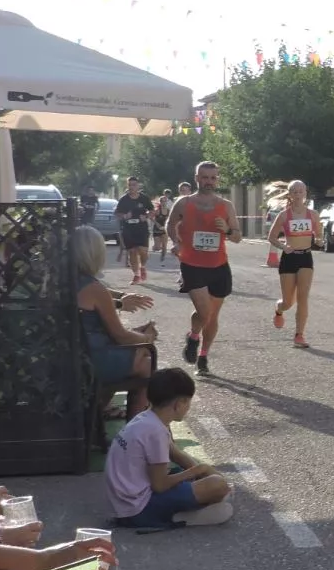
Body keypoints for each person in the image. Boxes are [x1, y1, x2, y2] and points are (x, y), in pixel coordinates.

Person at [106, 368, 233, 529]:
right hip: (138, 511)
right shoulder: (155, 431)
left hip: (126, 504)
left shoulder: (147, 418)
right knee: (216, 486)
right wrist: (199, 473)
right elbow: (159, 485)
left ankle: (209, 499)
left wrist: (203, 470)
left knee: (203, 477)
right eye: (188, 402)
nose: (188, 407)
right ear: (179, 404)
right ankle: (185, 517)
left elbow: (175, 453)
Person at [73, 226, 158, 421]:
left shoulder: (65, 280)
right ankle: (136, 427)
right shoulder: (93, 289)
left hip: (74, 352)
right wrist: (147, 338)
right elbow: (120, 335)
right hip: (89, 359)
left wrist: (120, 299)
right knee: (146, 360)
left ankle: (100, 409)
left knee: (139, 349)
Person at [166, 161, 242, 376]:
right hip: (192, 264)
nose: (209, 181)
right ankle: (193, 336)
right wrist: (176, 242)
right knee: (205, 312)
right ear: (196, 178)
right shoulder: (184, 203)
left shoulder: (226, 206)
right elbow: (171, 225)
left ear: (217, 179)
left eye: (213, 177)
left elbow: (237, 236)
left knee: (212, 316)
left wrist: (227, 230)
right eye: (204, 177)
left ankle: (203, 355)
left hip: (219, 266)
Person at [266, 180, 321, 348]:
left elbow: (319, 235)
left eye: (301, 191)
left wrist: (319, 240)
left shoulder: (313, 215)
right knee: (289, 302)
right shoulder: (284, 215)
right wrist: (284, 246)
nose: (298, 195)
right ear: (290, 195)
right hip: (289, 258)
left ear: (305, 194)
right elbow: (272, 237)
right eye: (294, 192)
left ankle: (299, 335)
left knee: (303, 298)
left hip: (305, 257)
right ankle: (279, 309)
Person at [114, 176, 155, 284]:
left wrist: (146, 216)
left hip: (141, 228)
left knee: (143, 251)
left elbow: (152, 211)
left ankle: (143, 267)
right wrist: (124, 216)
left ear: (138, 186)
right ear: (127, 186)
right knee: (132, 252)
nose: (132, 187)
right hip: (128, 229)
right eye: (130, 185)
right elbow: (117, 213)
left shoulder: (144, 198)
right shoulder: (124, 199)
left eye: (134, 185)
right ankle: (136, 275)